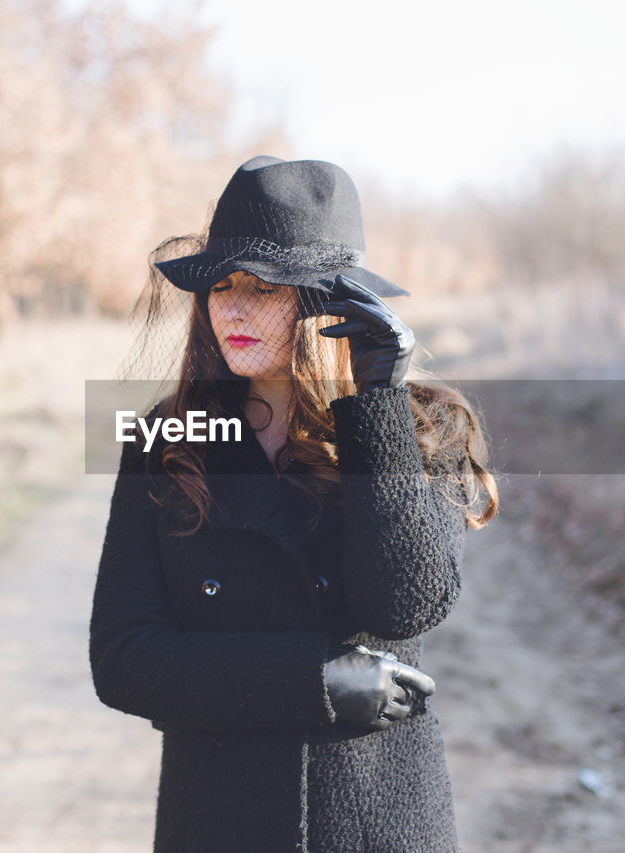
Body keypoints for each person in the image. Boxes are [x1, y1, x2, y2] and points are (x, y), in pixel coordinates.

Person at [89, 155, 497, 853]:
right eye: (220, 285)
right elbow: (123, 657)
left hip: (376, 825)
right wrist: (310, 682)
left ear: (331, 304)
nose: (233, 309)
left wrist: (377, 408)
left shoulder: (424, 426)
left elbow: (405, 604)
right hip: (218, 821)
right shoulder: (168, 435)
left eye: (264, 288)